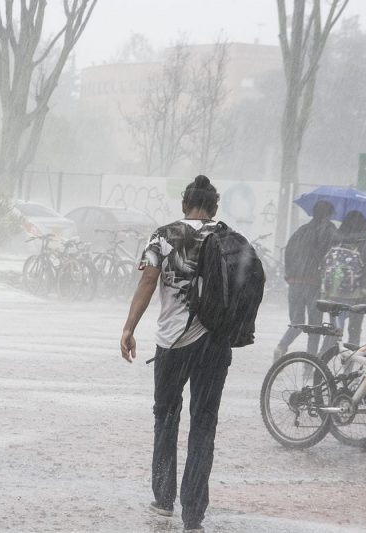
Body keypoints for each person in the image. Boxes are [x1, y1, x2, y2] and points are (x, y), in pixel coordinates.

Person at [120, 174, 231, 533]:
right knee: (203, 425)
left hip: (172, 343)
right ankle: (194, 513)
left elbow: (148, 281)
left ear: (185, 205)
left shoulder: (164, 235)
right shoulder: (228, 237)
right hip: (215, 344)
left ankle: (165, 498)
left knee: (166, 418)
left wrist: (129, 328)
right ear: (214, 208)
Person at [273, 200, 337, 359]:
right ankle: (311, 363)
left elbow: (288, 252)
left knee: (297, 322)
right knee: (314, 326)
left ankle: (281, 346)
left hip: (295, 282)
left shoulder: (301, 230)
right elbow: (330, 257)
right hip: (313, 283)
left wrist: (289, 275)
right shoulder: (329, 231)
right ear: (328, 215)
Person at [320, 210, 366, 349]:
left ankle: (321, 363)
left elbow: (325, 261)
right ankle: (349, 365)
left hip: (334, 290)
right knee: (354, 332)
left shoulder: (336, 237)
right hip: (358, 292)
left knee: (333, 331)